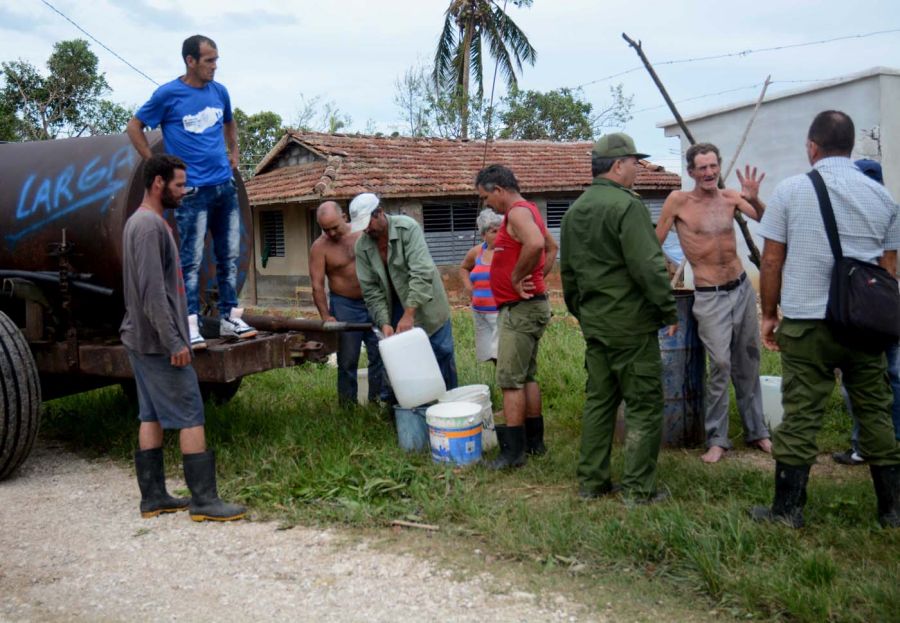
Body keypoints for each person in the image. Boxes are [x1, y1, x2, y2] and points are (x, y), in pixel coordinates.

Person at [753, 110, 900, 528]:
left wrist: (768, 314)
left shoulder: (791, 191)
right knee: (875, 410)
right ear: (851, 147)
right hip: (865, 325)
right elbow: (889, 270)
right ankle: (892, 511)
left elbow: (772, 260)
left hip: (806, 322)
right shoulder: (883, 198)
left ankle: (787, 511)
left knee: (800, 413)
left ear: (812, 147)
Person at [122, 154, 245, 522]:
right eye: (178, 185)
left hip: (143, 340)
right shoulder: (147, 227)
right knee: (191, 411)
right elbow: (152, 293)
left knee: (152, 414)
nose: (184, 191)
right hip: (158, 343)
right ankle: (204, 501)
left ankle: (154, 497)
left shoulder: (144, 223)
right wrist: (176, 341)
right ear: (158, 183)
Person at [560, 133, 677, 503]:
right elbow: (648, 265)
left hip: (596, 323)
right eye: (634, 163)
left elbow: (569, 276)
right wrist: (666, 309)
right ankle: (638, 490)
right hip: (631, 325)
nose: (637, 171)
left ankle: (592, 483)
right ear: (617, 165)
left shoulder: (574, 211)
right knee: (643, 403)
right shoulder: (628, 207)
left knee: (600, 401)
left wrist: (584, 312)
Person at [126, 34, 256, 350]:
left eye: (216, 60)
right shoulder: (168, 94)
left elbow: (229, 122)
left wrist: (234, 151)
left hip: (224, 186)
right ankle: (191, 323)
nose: (214, 66)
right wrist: (155, 163)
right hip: (193, 191)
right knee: (191, 259)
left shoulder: (219, 92)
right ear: (190, 60)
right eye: (209, 60)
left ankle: (229, 317)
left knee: (229, 255)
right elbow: (134, 126)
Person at [655, 143, 772, 463]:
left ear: (718, 168)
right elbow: (655, 243)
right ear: (691, 172)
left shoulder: (730, 197)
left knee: (748, 362)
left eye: (712, 166)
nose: (708, 173)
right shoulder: (678, 201)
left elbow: (766, 219)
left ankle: (757, 431)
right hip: (709, 295)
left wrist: (754, 195)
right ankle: (717, 438)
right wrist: (659, 287)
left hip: (741, 290)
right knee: (720, 364)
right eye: (701, 168)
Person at [475, 165, 558, 468]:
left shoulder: (518, 213)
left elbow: (538, 245)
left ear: (498, 189)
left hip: (520, 310)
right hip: (529, 306)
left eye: (486, 197)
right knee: (527, 376)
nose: (487, 204)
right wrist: (537, 278)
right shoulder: (529, 210)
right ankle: (534, 444)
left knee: (510, 380)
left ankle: (512, 453)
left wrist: (517, 277)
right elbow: (551, 246)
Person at [350, 193, 458, 392]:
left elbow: (421, 272)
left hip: (426, 305)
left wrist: (409, 314)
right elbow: (371, 290)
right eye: (362, 226)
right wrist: (384, 323)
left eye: (368, 223)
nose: (366, 229)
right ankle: (413, 410)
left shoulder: (407, 228)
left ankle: (449, 409)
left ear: (380, 213)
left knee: (440, 355)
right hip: (394, 308)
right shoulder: (362, 246)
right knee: (407, 365)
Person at [832, 159, 900, 465]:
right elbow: (890, 266)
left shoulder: (849, 215)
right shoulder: (890, 208)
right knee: (893, 378)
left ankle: (864, 447)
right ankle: (891, 442)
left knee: (859, 380)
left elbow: (886, 264)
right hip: (889, 308)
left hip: (863, 311)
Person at [309, 201, 384, 405]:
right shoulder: (319, 247)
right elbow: (317, 285)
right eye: (326, 229)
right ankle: (347, 405)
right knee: (347, 359)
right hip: (345, 304)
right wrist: (326, 316)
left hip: (373, 300)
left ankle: (378, 400)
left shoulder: (364, 233)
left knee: (380, 353)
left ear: (344, 216)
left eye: (335, 227)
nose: (332, 233)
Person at [459, 208, 503, 364]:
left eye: (501, 230)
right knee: (490, 356)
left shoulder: (506, 252)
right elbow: (463, 268)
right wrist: (468, 287)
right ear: (484, 235)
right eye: (493, 231)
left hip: (500, 313)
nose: (499, 235)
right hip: (479, 312)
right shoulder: (477, 252)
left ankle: (508, 386)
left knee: (502, 356)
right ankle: (501, 386)